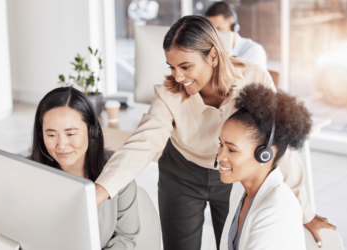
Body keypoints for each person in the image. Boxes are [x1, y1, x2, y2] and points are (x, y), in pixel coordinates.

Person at [95, 16, 333, 250]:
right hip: (181, 173)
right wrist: (99, 191)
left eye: (186, 67)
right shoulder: (170, 93)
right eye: (172, 67)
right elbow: (142, 143)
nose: (178, 76)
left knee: (231, 243)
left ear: (213, 56)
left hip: (230, 174)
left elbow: (277, 146)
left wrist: (305, 212)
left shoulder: (254, 78)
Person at [29, 87, 140, 250]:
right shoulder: (27, 173)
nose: (61, 145)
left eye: (71, 134)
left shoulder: (117, 170)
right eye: (51, 135)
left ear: (91, 131)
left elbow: (126, 237)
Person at [218, 83, 317, 250]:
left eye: (231, 150)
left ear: (265, 154)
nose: (220, 155)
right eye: (220, 145)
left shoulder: (276, 210)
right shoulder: (240, 191)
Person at [205, 2, 267, 69]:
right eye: (211, 30)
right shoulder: (208, 53)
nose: (214, 35)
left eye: (219, 29)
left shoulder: (253, 51)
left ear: (234, 28)